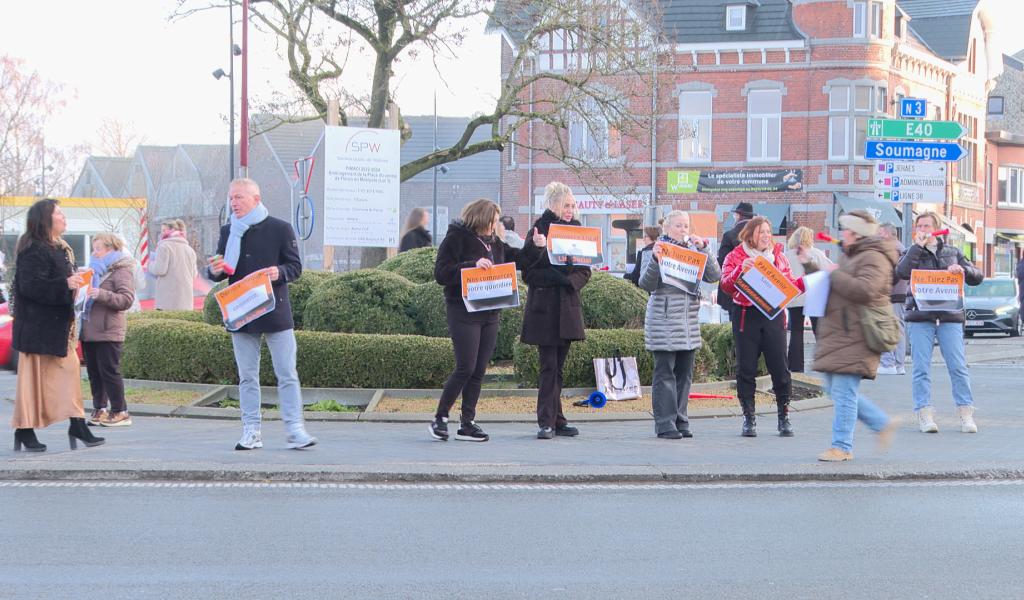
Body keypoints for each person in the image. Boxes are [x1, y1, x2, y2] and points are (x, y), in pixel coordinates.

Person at [208, 178, 317, 450]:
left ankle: (295, 430)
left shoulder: (280, 228)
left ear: (256, 199)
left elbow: (295, 267)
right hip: (241, 314)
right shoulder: (228, 231)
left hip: (274, 311)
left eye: (239, 197)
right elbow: (218, 270)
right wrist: (214, 269)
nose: (233, 202)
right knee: (247, 376)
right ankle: (251, 430)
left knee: (287, 373)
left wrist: (279, 272)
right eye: (231, 197)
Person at [800, 211, 899, 462]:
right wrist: (810, 265)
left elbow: (864, 290)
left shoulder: (874, 258)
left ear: (856, 233)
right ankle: (881, 423)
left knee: (843, 392)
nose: (841, 234)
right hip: (843, 332)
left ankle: (842, 446)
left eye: (845, 230)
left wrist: (832, 273)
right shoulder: (853, 255)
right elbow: (835, 283)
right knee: (836, 390)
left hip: (858, 333)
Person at [10, 199, 104, 452]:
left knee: (70, 374)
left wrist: (77, 283)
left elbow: (60, 282)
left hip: (57, 328)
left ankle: (77, 423)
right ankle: (25, 429)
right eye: (59, 213)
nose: (64, 217)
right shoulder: (34, 249)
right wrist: (66, 284)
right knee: (33, 383)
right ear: (46, 220)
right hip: (38, 329)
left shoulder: (60, 248)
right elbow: (30, 287)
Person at [429, 199, 519, 442]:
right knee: (465, 367)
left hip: (490, 311)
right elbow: (441, 273)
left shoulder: (494, 242)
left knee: (479, 369)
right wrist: (471, 266)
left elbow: (516, 257)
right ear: (483, 219)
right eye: (494, 220)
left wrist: (538, 246)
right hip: (464, 311)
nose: (496, 225)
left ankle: (467, 422)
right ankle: (440, 417)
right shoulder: (457, 238)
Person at [895, 212, 983, 434]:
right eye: (919, 226)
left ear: (937, 228)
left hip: (949, 316)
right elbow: (901, 272)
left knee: (958, 366)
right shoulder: (910, 252)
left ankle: (966, 413)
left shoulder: (953, 252)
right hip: (920, 316)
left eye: (926, 225)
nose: (922, 229)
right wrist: (917, 248)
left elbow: (977, 276)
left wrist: (962, 270)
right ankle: (924, 414)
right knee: (921, 367)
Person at [638, 211, 721, 439]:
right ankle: (665, 423)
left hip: (688, 323)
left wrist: (704, 248)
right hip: (663, 320)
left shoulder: (693, 251)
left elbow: (715, 276)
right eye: (678, 226)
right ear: (666, 228)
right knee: (665, 373)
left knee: (685, 374)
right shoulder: (654, 249)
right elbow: (646, 283)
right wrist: (655, 260)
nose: (683, 229)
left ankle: (681, 420)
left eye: (686, 225)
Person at [719, 216, 803, 438]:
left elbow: (790, 285)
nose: (766, 236)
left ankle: (783, 416)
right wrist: (740, 271)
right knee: (746, 369)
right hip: (746, 315)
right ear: (750, 235)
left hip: (773, 316)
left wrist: (807, 282)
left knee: (780, 368)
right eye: (761, 232)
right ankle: (749, 417)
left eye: (768, 231)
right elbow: (726, 285)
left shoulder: (779, 257)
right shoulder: (735, 255)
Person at [520, 182, 591, 439]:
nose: (570, 209)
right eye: (565, 205)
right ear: (552, 205)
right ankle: (546, 421)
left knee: (559, 367)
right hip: (545, 308)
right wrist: (538, 249)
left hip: (567, 307)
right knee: (548, 366)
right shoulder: (538, 229)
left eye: (572, 205)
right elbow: (527, 271)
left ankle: (557, 418)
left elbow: (586, 271)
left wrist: (570, 282)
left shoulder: (579, 231)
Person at [81, 233, 137, 428]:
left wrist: (101, 294)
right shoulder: (91, 272)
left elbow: (126, 300)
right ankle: (100, 408)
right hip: (89, 330)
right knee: (94, 373)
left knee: (109, 371)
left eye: (98, 249)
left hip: (108, 330)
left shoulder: (121, 271)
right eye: (93, 249)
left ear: (111, 249)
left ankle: (120, 411)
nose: (94, 253)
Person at [784, 226, 832, 372]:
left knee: (796, 332)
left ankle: (796, 366)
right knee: (819, 330)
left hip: (795, 296)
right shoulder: (817, 254)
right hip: (814, 296)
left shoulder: (786, 255)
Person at [877, 223, 909, 375]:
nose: (878, 236)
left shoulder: (892, 249)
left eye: (880, 233)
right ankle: (899, 364)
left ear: (888, 234)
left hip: (891, 294)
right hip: (901, 293)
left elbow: (891, 273)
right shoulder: (901, 248)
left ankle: (888, 363)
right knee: (899, 329)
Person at [149, 219, 198, 311]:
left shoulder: (164, 247)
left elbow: (160, 270)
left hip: (167, 297)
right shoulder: (189, 250)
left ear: (172, 231)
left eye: (164, 230)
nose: (161, 233)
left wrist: (150, 265)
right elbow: (194, 274)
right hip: (185, 297)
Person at [716, 202, 754, 317]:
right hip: (756, 289)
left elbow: (723, 261)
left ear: (739, 215)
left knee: (736, 325)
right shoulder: (758, 235)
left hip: (734, 287)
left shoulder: (729, 235)